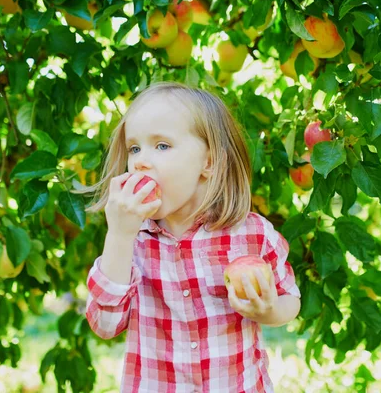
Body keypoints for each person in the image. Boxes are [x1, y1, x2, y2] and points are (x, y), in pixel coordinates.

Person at [83, 82, 301, 393]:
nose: (141, 161)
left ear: (208, 162)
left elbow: (289, 299)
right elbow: (104, 325)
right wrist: (119, 234)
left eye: (161, 146)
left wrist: (265, 310)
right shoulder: (133, 240)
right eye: (134, 148)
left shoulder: (251, 234)